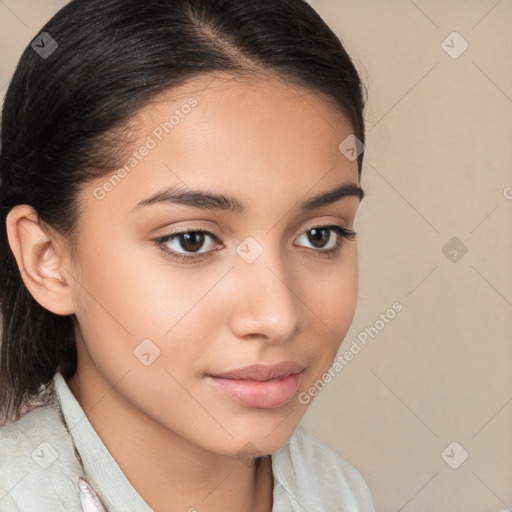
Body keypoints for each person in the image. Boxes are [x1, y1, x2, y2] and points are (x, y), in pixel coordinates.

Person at [0, 0, 375, 510]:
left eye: (320, 235)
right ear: (48, 259)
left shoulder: (339, 494)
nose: (277, 316)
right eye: (191, 240)